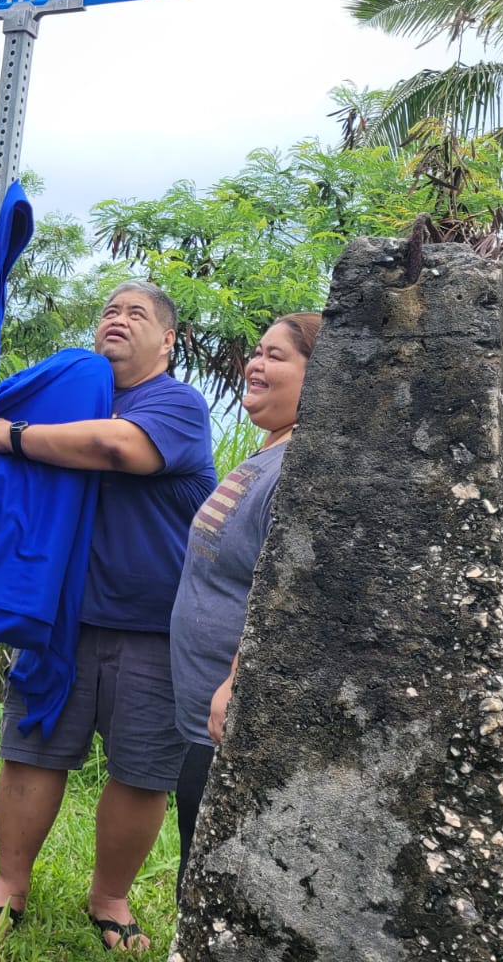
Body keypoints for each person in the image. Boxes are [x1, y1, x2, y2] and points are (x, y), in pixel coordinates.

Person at [0, 280, 216, 952]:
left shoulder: (177, 404)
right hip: (61, 621)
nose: (119, 319)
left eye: (138, 314)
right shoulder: (73, 395)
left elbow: (116, 449)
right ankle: (8, 884)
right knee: (31, 753)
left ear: (168, 340)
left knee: (140, 772)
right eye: (110, 310)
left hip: (154, 626)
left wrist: (6, 435)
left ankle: (109, 897)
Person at [168, 312, 319, 894]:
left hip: (232, 719)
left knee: (211, 880)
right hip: (206, 718)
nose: (255, 365)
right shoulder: (268, 455)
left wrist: (237, 684)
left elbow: (282, 591)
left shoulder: (297, 469)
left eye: (276, 356)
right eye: (257, 352)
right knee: (196, 866)